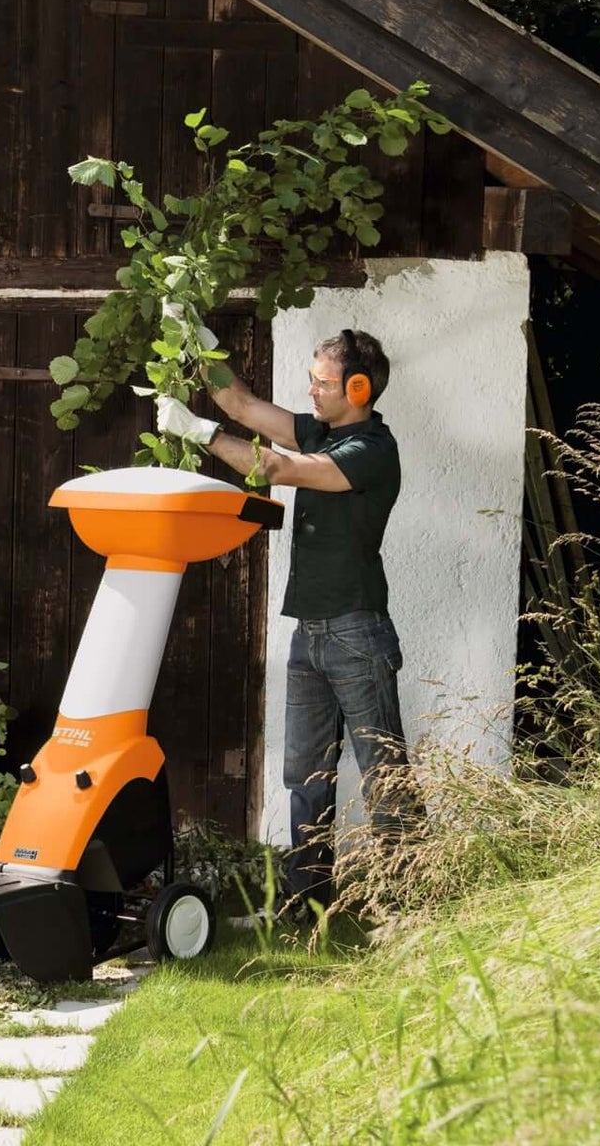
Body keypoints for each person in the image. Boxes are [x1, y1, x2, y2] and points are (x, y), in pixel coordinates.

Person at [155, 318, 422, 913]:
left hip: (357, 632)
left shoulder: (372, 451)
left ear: (358, 390)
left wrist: (200, 433)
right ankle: (309, 901)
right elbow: (242, 403)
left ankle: (413, 906)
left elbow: (276, 469)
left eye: (322, 382)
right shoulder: (322, 432)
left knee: (385, 774)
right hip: (311, 632)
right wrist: (195, 337)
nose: (311, 391)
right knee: (305, 775)